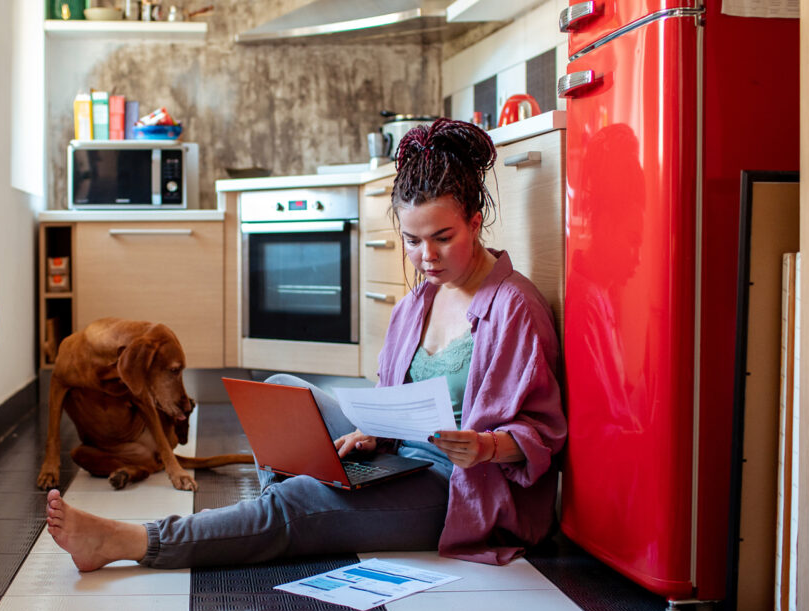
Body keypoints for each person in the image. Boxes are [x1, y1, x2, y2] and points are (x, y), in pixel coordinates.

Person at [46, 118, 566, 570]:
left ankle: (132, 540)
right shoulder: (419, 302)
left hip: (454, 483)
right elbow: (392, 400)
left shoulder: (513, 307)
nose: (425, 256)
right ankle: (305, 514)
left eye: (443, 237)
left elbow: (544, 433)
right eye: (412, 240)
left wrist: (487, 446)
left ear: (475, 223)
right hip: (396, 453)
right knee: (281, 392)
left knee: (295, 502)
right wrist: (369, 430)